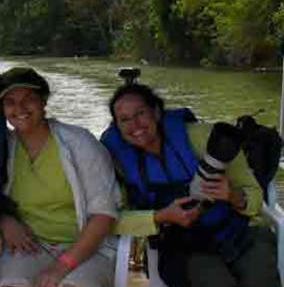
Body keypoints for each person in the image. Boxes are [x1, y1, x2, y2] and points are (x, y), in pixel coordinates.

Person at [101, 83, 280, 287]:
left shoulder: (207, 138)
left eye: (140, 113)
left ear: (156, 112)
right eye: (124, 120)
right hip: (185, 245)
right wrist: (160, 217)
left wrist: (233, 195)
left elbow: (255, 197)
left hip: (240, 232)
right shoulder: (116, 160)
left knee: (261, 280)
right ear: (117, 127)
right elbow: (110, 220)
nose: (135, 125)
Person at [0, 67, 120, 287]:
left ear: (43, 101)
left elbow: (104, 214)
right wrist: (5, 220)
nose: (20, 108)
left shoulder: (80, 142)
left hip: (86, 247)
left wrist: (62, 266)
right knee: (12, 283)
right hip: (31, 246)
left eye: (29, 99)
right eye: (10, 102)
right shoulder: (3, 148)